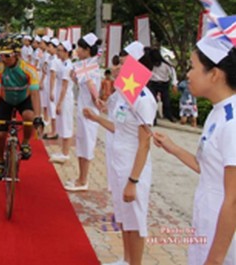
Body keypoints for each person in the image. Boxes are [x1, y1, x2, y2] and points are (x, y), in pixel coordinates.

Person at [154, 32, 236, 265]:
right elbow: (208, 167)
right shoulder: (216, 112)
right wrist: (173, 148)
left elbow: (234, 199)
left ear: (215, 75)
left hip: (224, 236)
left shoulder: (232, 122)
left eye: (193, 67)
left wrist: (216, 259)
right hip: (207, 220)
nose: (187, 74)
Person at [84, 41, 157, 265]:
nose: (117, 67)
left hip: (133, 166)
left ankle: (135, 262)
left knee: (136, 220)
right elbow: (118, 127)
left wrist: (133, 180)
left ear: (136, 67)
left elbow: (144, 144)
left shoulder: (144, 99)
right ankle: (126, 259)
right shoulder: (126, 94)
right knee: (124, 216)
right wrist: (97, 118)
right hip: (118, 162)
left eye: (123, 63)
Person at [0, 36, 44, 180]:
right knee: (0, 134)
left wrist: (38, 116)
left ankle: (25, 143)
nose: (3, 59)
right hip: (6, 99)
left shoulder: (29, 69)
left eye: (6, 55)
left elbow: (35, 94)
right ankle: (0, 161)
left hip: (24, 98)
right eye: (0, 55)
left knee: (29, 117)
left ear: (16, 54)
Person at [64, 33, 104, 191]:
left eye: (80, 48)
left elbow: (90, 83)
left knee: (86, 144)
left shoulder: (89, 66)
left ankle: (83, 180)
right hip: (83, 108)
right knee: (81, 142)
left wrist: (97, 99)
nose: (77, 50)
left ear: (87, 50)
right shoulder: (84, 64)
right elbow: (81, 81)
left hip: (89, 111)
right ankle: (80, 177)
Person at [49, 40, 75, 163]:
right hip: (61, 95)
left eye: (59, 50)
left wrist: (59, 104)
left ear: (66, 52)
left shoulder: (68, 66)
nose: (57, 53)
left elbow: (65, 86)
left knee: (66, 124)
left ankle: (66, 153)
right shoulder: (62, 63)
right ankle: (62, 150)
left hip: (65, 98)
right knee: (61, 124)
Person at [148, 47, 178, 122]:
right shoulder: (150, 64)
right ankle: (153, 118)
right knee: (152, 101)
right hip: (153, 83)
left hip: (164, 83)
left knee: (166, 101)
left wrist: (174, 84)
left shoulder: (166, 64)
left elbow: (173, 74)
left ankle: (168, 115)